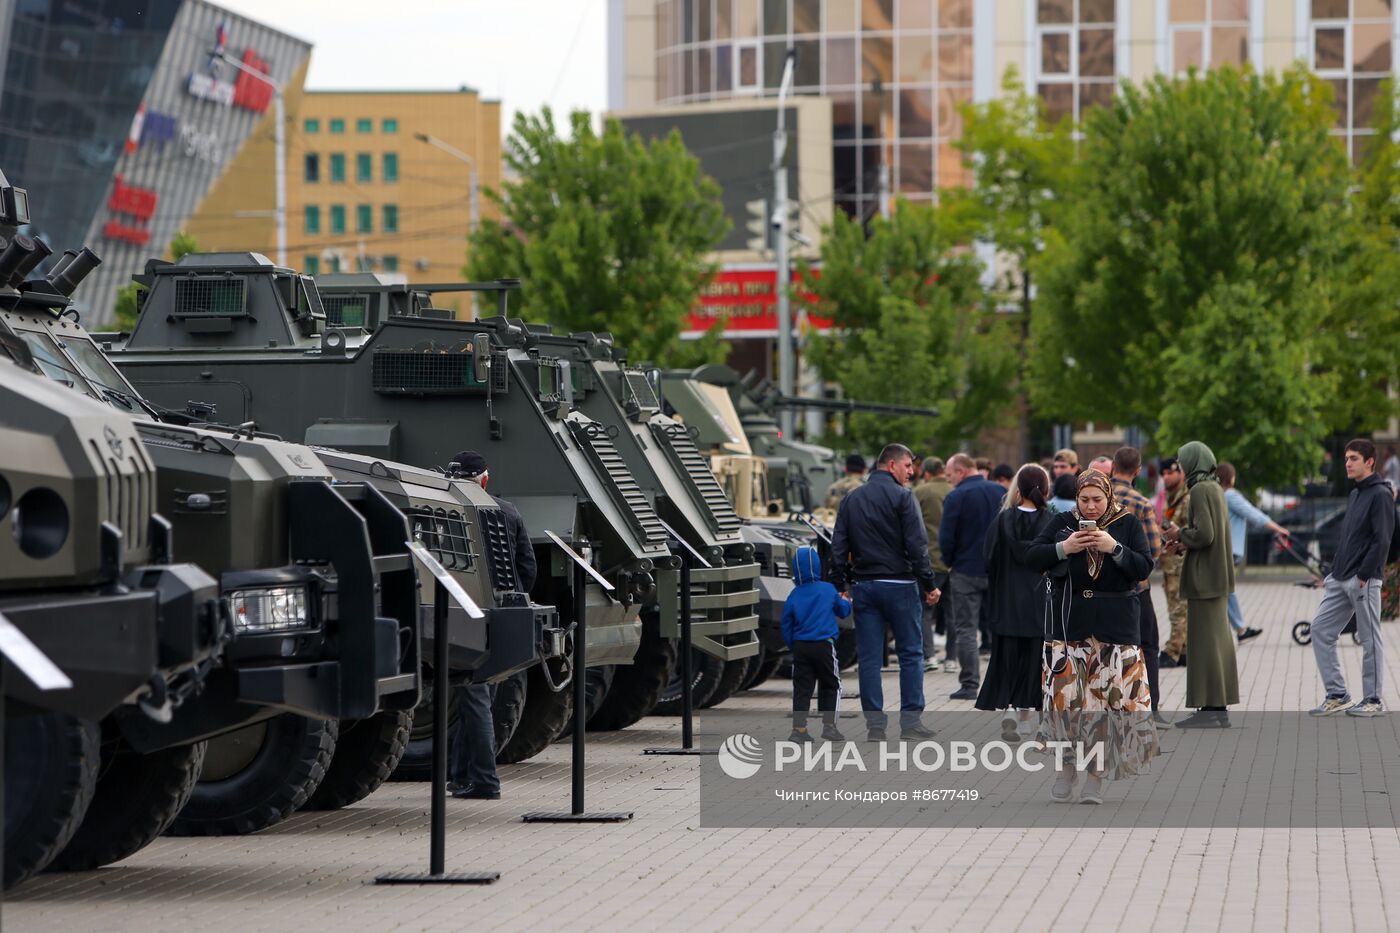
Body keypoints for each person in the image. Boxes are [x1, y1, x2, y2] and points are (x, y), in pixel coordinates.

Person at [1026, 468, 1156, 804]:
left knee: (1103, 705)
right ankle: (1066, 769)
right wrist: (1064, 548)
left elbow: (1143, 567)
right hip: (1070, 627)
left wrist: (1115, 549)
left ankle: (1095, 778)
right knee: (1065, 702)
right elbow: (1031, 557)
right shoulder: (1063, 522)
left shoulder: (1126, 523)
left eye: (1097, 499)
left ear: (1108, 496)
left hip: (1115, 628)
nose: (1091, 507)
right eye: (1084, 500)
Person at [829, 443, 939, 741]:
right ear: (891, 466)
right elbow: (918, 546)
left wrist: (840, 585)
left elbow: (838, 547)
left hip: (865, 586)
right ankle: (911, 723)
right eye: (907, 466)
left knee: (868, 659)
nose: (912, 472)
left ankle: (875, 727)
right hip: (901, 586)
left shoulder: (851, 499)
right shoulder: (904, 498)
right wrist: (928, 584)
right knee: (911, 655)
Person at [445, 450, 537, 801]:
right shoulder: (507, 510)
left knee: (473, 699)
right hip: (502, 613)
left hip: (463, 614)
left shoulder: (447, 506)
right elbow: (527, 567)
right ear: (484, 478)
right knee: (482, 696)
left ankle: (484, 781)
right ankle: (460, 776)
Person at [1307, 439, 1396, 718]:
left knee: (1370, 639)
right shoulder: (1356, 494)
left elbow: (1382, 540)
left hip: (1363, 580)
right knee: (1320, 630)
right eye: (1346, 458)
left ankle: (1372, 699)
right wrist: (1333, 573)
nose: (1347, 463)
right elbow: (1349, 537)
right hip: (1340, 577)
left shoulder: (1380, 494)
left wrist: (1365, 574)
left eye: (1354, 458)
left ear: (1369, 461)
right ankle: (1338, 695)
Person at [1162, 442, 1237, 729]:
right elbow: (1210, 536)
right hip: (1214, 575)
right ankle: (1215, 707)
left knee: (1204, 646)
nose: (1180, 468)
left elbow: (1204, 534)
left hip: (1205, 577)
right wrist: (1184, 542)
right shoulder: (1214, 487)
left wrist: (1178, 532)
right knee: (1215, 644)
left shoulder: (1199, 490)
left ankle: (1211, 709)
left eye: (1182, 463)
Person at [975, 464, 1051, 741]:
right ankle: (1025, 718)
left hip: (1006, 603)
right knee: (1034, 663)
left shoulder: (1002, 520)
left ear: (1017, 490)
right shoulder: (1050, 522)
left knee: (1006, 660)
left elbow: (989, 558)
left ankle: (1006, 709)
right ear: (1045, 489)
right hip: (1039, 605)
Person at [938, 453, 1006, 700]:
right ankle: (1002, 682)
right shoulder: (1000, 492)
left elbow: (946, 537)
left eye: (949, 475)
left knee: (966, 628)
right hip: (998, 571)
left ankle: (969, 684)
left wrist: (949, 561)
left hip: (965, 570)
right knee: (1001, 628)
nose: (949, 480)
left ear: (961, 471)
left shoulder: (956, 496)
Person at [1108, 447, 1164, 715]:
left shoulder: (1095, 498)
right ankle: (1150, 705)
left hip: (1100, 589)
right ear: (1138, 470)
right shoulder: (1141, 502)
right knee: (1148, 646)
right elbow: (1153, 549)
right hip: (1136, 588)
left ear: (1112, 467)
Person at [782, 545, 852, 741]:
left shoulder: (794, 594)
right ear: (819, 567)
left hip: (801, 647)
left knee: (802, 688)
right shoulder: (828, 589)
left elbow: (786, 624)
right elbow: (843, 611)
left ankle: (799, 730)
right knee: (832, 684)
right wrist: (846, 601)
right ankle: (829, 727)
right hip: (824, 645)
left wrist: (792, 645)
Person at [1217, 462, 1290, 643]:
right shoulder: (1230, 495)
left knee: (1225, 589)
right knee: (1225, 589)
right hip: (1230, 549)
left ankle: (1241, 628)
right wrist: (1278, 528)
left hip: (1224, 549)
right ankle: (1239, 629)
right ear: (1230, 478)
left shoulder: (1217, 496)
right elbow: (1253, 514)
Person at [913, 457, 953, 672]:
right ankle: (952, 658)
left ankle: (929, 656)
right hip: (953, 563)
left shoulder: (920, 492)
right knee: (953, 612)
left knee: (925, 611)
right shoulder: (955, 490)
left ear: (927, 473)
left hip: (930, 559)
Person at [1158, 457, 1190, 669]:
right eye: (1164, 474)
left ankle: (1173, 650)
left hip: (1181, 563)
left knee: (1179, 608)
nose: (1167, 477)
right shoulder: (1171, 498)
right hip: (1170, 564)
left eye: (1171, 472)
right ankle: (1185, 650)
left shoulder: (1186, 499)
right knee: (1174, 607)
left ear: (1180, 473)